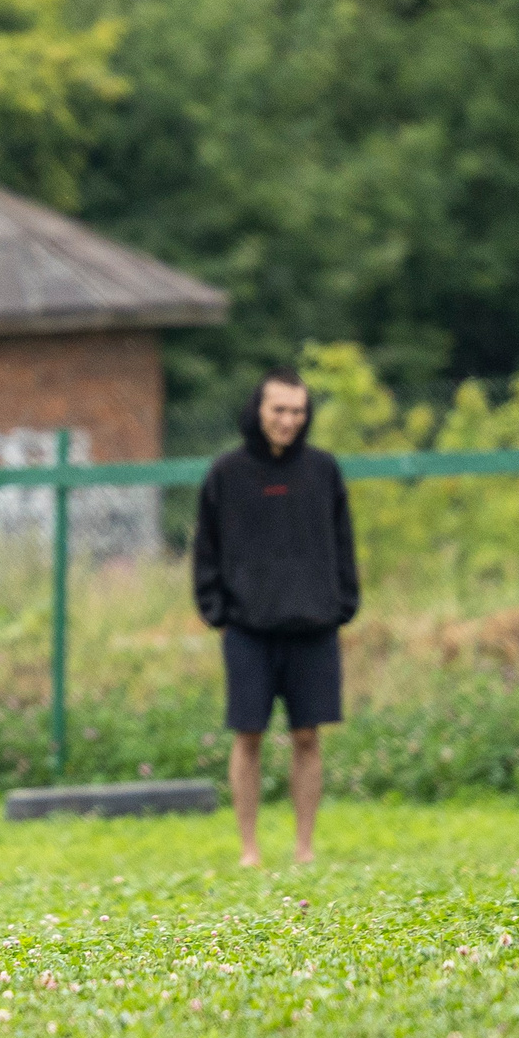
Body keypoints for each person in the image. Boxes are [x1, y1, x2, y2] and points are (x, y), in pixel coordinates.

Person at [192, 369, 358, 868]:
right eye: (278, 410)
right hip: (247, 630)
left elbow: (344, 543)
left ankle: (304, 848)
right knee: (249, 736)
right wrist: (216, 611)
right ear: (258, 411)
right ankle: (249, 849)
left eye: (297, 411)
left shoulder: (324, 471)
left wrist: (342, 604)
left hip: (313, 627)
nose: (287, 420)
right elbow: (206, 549)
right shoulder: (226, 473)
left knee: (307, 736)